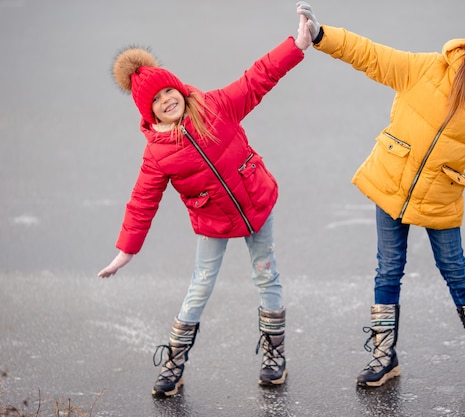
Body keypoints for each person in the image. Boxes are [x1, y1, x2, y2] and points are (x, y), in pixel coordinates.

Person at [297, 2, 465, 387]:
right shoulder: (425, 69)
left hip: (441, 198)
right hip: (391, 184)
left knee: (456, 271)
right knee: (389, 269)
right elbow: (371, 55)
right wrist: (324, 36)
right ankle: (383, 353)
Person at [97, 13, 312, 396]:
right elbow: (142, 201)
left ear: (178, 88)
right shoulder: (157, 153)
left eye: (168, 92)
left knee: (266, 274)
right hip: (212, 219)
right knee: (200, 286)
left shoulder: (215, 105)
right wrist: (125, 251)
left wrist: (296, 45)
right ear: (148, 111)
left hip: (256, 201)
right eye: (156, 100)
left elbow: (257, 78)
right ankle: (174, 361)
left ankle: (273, 356)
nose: (166, 100)